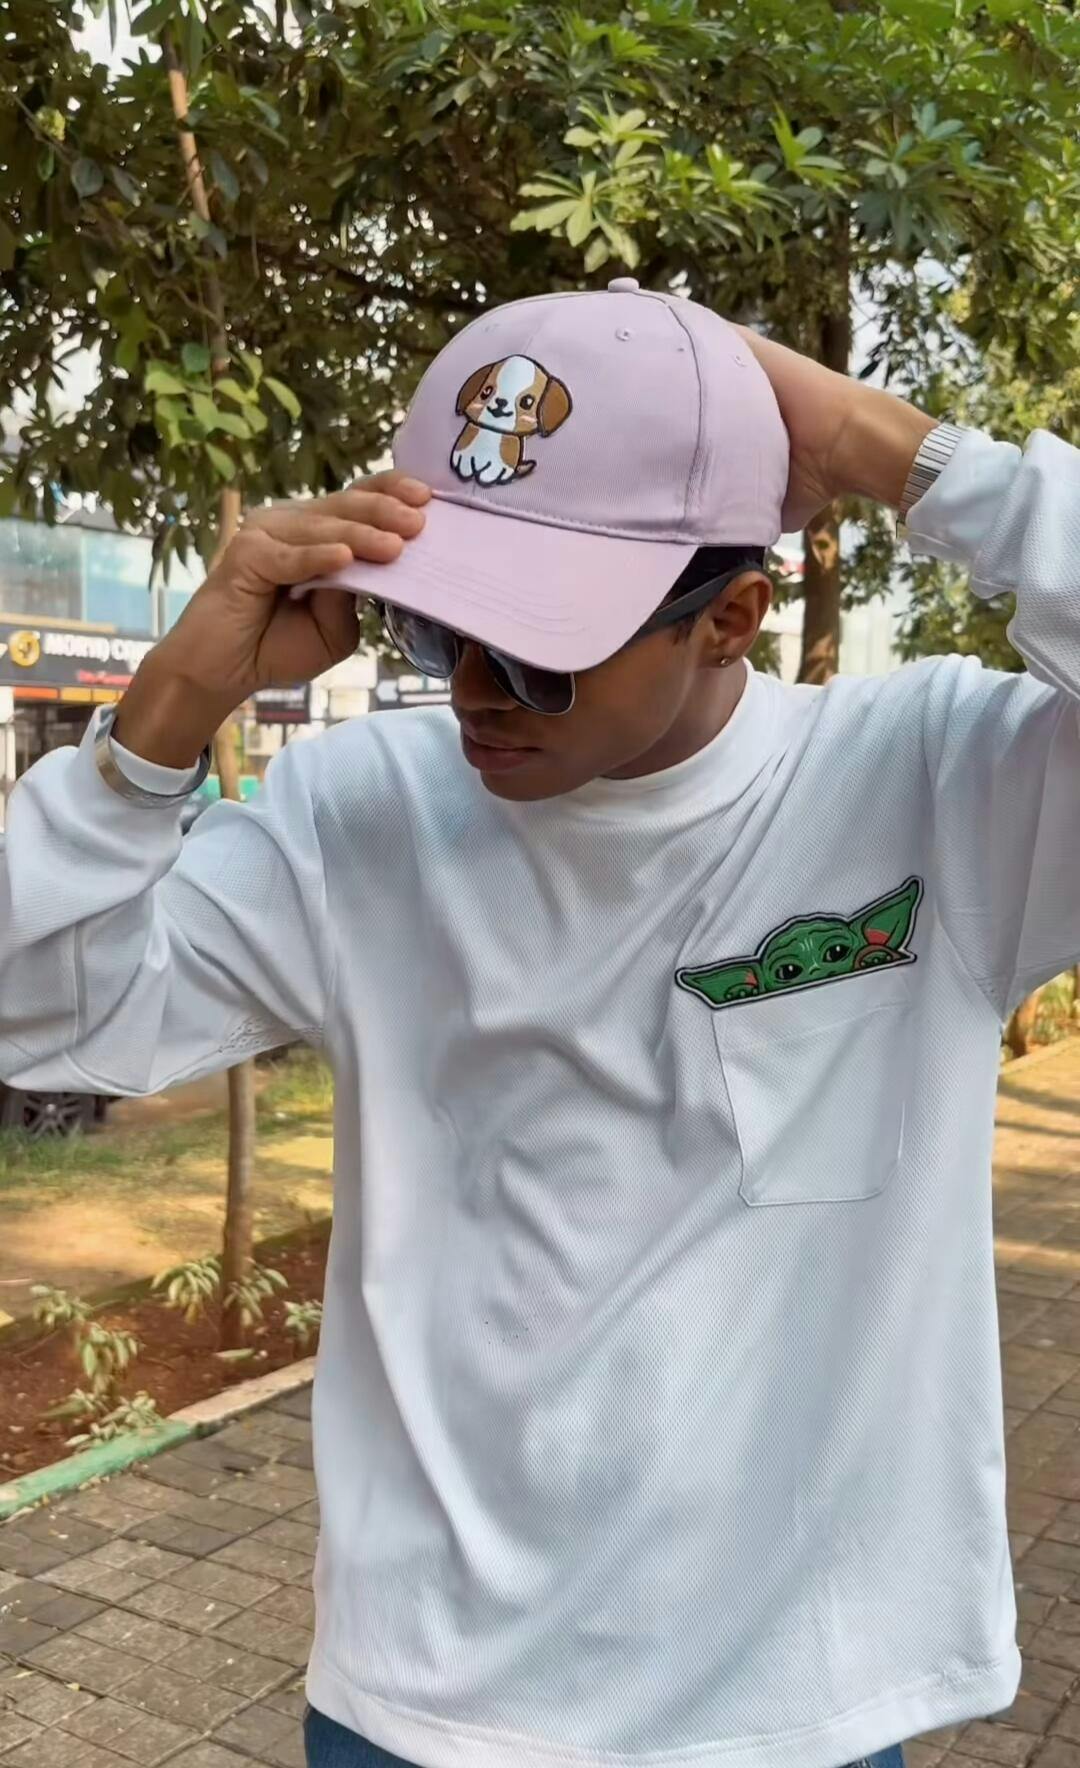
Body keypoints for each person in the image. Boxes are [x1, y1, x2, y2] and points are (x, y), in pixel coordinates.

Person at [2, 278, 1078, 1768]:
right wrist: (177, 700)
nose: (474, 694)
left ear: (734, 617)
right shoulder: (364, 814)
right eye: (436, 628)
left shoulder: (938, 790)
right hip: (428, 1704)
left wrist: (888, 449)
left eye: (536, 648)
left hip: (791, 1709)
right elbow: (40, 1012)